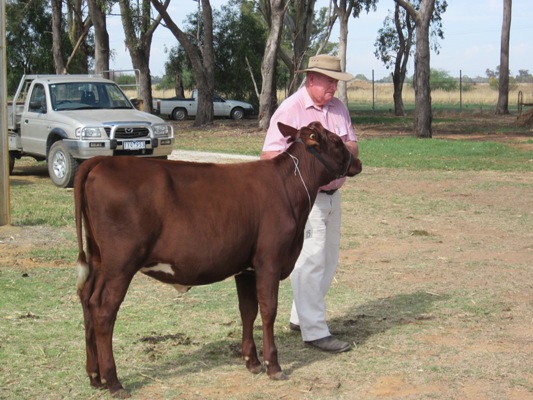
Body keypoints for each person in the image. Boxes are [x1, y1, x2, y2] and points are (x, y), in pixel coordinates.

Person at [261, 54, 359, 353]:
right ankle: (315, 331)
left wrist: (338, 148)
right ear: (311, 79)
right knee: (310, 259)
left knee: (327, 259)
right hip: (306, 199)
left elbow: (353, 146)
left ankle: (299, 317)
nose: (333, 87)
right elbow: (269, 156)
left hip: (332, 195)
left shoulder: (338, 108)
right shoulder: (291, 109)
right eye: (329, 80)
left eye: (336, 81)